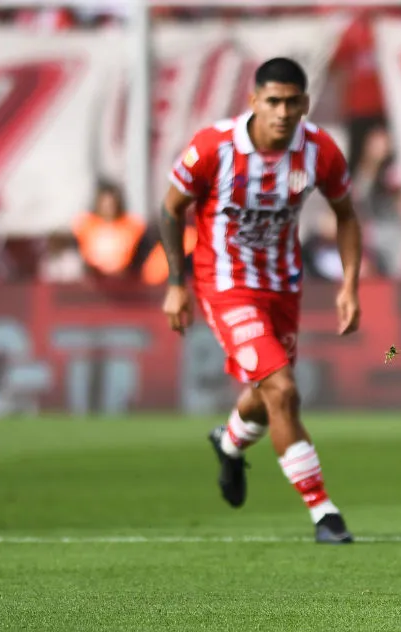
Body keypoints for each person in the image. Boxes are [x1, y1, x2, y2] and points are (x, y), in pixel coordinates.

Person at [158, 57, 364, 544]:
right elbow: (170, 210)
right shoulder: (214, 146)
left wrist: (350, 284)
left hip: (282, 286)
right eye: (273, 101)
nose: (283, 111)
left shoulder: (319, 150)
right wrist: (174, 282)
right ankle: (324, 513)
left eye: (293, 102)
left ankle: (228, 443)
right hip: (224, 284)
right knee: (285, 391)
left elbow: (347, 215)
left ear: (305, 104)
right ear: (254, 101)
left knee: (265, 393)